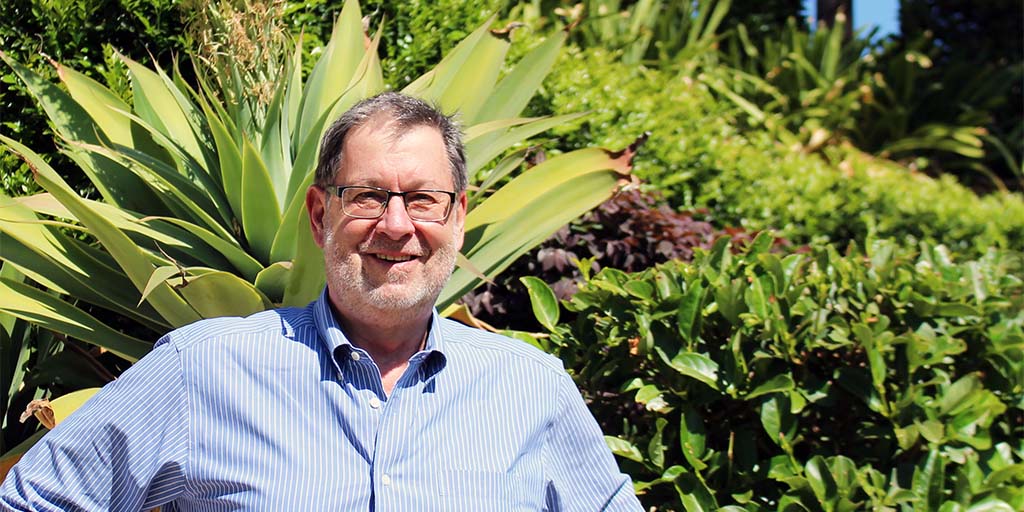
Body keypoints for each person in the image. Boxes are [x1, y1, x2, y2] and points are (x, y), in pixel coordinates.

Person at [0, 92, 643, 511]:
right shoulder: (203, 369)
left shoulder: (532, 390)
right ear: (318, 215)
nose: (397, 225)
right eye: (368, 197)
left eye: (423, 200)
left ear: (458, 217)